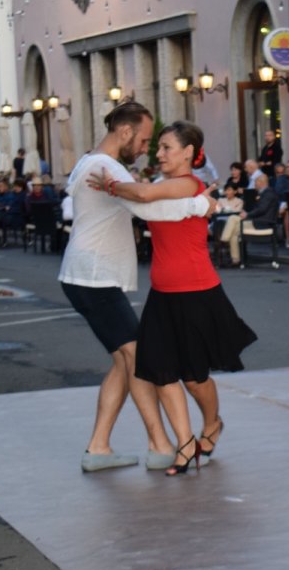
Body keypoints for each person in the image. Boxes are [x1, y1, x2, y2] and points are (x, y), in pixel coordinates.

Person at [88, 121, 256, 477]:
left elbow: (144, 199)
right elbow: (145, 205)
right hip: (162, 294)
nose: (159, 154)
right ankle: (184, 445)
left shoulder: (187, 184)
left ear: (189, 154)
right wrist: (121, 191)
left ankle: (212, 425)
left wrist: (111, 185)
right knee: (162, 372)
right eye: (158, 147)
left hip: (197, 291)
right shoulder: (167, 188)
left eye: (166, 148)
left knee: (195, 378)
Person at [58, 101, 218, 473]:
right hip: (93, 277)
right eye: (145, 140)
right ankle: (161, 445)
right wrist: (200, 205)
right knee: (139, 358)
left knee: (122, 362)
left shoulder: (91, 161)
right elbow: (147, 209)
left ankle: (99, 448)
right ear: (125, 132)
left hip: (85, 275)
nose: (147, 149)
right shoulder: (108, 167)